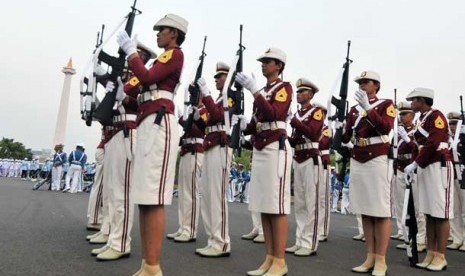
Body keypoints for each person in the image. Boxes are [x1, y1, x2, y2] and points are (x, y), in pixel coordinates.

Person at [116, 13, 187, 276]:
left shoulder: (174, 54)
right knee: (145, 198)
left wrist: (132, 54)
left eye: (162, 30)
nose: (157, 34)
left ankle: (154, 267)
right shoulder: (161, 58)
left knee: (154, 198)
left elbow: (147, 78)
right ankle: (147, 264)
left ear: (174, 35)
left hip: (160, 124)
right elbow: (138, 92)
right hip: (148, 120)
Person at [235, 47, 293, 276]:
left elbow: (273, 114)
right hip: (261, 145)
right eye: (263, 62)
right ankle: (269, 257)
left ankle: (280, 261)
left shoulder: (284, 88)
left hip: (275, 146)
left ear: (278, 66)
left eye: (268, 62)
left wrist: (254, 90)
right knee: (265, 207)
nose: (264, 65)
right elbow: (257, 120)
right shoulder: (265, 89)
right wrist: (243, 126)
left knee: (276, 207)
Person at [341, 70, 395, 276]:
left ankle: (381, 260)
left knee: (379, 210)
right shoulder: (354, 109)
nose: (362, 85)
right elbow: (347, 134)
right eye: (360, 82)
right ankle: (370, 255)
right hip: (359, 156)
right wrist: (339, 126)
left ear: (376, 85)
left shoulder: (385, 105)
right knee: (364, 207)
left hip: (377, 156)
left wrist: (367, 108)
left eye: (366, 82)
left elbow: (385, 128)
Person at [404, 87, 453, 271]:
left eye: (413, 100)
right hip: (426, 165)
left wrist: (416, 163)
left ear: (421, 100)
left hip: (438, 165)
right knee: (429, 212)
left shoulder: (436, 116)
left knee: (440, 212)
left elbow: (433, 141)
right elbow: (418, 146)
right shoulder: (421, 119)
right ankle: (431, 253)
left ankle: (441, 256)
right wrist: (414, 164)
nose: (411, 104)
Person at [194, 61, 233, 257]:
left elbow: (218, 117)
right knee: (206, 194)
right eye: (216, 76)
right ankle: (212, 238)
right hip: (209, 144)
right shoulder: (217, 99)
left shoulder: (230, 96)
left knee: (217, 195)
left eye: (221, 76)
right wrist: (196, 118)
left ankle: (222, 242)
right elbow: (207, 124)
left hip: (221, 145)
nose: (217, 79)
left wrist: (206, 94)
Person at [286, 78, 324, 257]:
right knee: (300, 202)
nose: (299, 94)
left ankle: (309, 243)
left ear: (310, 94)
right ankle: (300, 239)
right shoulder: (298, 114)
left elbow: (314, 133)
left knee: (311, 201)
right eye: (298, 92)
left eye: (302, 92)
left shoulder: (315, 112)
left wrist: (296, 123)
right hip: (299, 156)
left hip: (311, 156)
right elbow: (295, 139)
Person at [166, 95, 206, 243]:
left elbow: (198, 129)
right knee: (183, 192)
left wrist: (185, 120)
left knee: (191, 192)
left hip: (196, 149)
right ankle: (183, 226)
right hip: (186, 148)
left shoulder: (203, 110)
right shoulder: (192, 110)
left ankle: (190, 230)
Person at [393, 102, 426, 252]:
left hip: (412, 167)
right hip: (400, 167)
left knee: (417, 206)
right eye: (400, 114)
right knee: (401, 204)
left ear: (412, 116)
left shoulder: (416, 130)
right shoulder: (397, 130)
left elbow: (418, 148)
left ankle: (420, 238)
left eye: (405, 114)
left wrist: (407, 138)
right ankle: (403, 232)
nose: (402, 117)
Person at [446, 111, 465, 251]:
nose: (452, 126)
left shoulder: (463, 138)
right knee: (455, 209)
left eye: (455, 123)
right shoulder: (447, 139)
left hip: (463, 175)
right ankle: (457, 238)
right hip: (452, 175)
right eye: (450, 123)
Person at [318, 108, 331, 242]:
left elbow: (323, 143)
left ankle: (323, 229)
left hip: (323, 162)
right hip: (311, 161)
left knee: (323, 198)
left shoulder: (327, 129)